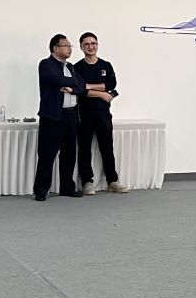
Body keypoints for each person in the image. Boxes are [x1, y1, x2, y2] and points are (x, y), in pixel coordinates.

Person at [33, 34, 112, 201]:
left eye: (70, 46)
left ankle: (67, 188)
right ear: (55, 48)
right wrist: (73, 83)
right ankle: (41, 190)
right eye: (66, 46)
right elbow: (58, 80)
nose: (70, 49)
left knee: (69, 154)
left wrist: (72, 87)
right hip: (53, 116)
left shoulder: (71, 66)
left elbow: (81, 86)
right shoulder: (46, 64)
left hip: (71, 115)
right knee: (47, 154)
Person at [71, 32, 129, 195]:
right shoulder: (76, 67)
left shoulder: (106, 65)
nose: (91, 47)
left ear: (97, 45)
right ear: (81, 47)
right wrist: (102, 94)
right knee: (84, 148)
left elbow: (111, 84)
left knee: (107, 147)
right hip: (84, 114)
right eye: (87, 44)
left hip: (103, 113)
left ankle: (112, 181)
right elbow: (79, 90)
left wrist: (89, 86)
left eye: (93, 43)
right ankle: (87, 182)